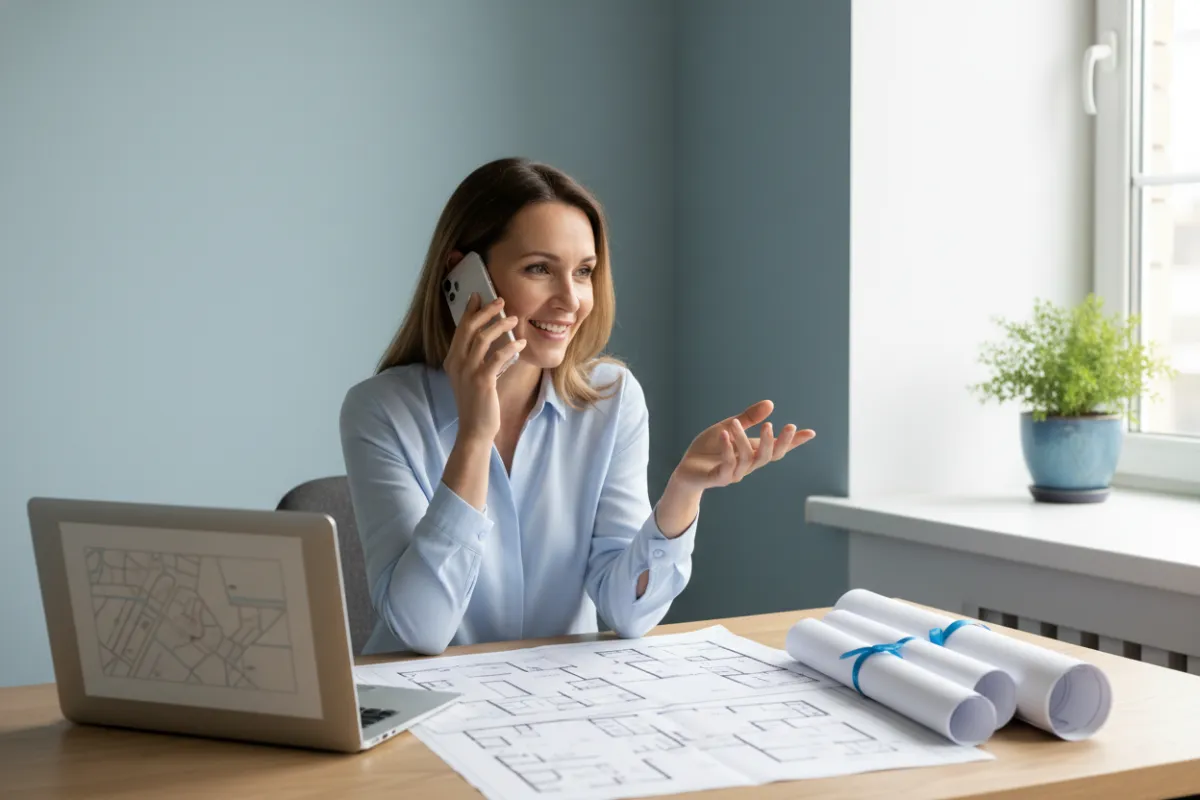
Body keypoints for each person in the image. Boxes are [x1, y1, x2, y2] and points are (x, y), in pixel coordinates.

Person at [339, 157, 814, 656]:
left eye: (584, 272)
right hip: (425, 706)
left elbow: (627, 615)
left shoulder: (613, 399)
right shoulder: (380, 411)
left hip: (557, 704)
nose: (571, 300)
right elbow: (422, 632)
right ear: (464, 275)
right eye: (539, 269)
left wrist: (684, 492)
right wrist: (475, 436)